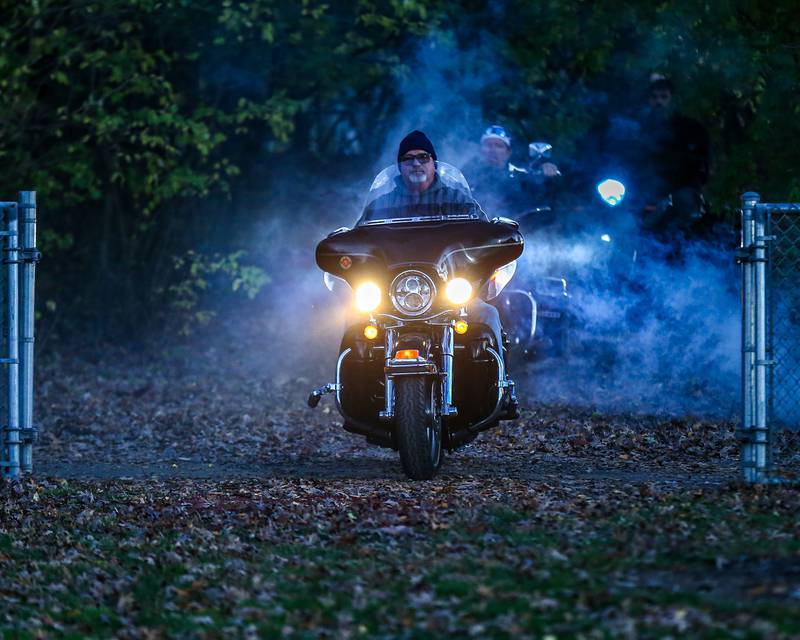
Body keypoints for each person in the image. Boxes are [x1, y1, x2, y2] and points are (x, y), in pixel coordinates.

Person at [361, 131, 517, 412]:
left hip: (449, 290)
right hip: (393, 295)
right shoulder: (380, 204)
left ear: (434, 163)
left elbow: (482, 235)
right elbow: (360, 242)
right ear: (399, 166)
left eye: (423, 157)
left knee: (488, 314)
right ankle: (356, 393)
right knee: (353, 324)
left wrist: (496, 243)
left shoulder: (459, 199)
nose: (416, 164)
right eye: (408, 159)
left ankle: (503, 390)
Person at [637, 76, 711, 235]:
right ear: (648, 100)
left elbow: (702, 160)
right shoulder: (638, 128)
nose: (659, 102)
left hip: (681, 186)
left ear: (672, 99)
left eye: (664, 97)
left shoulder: (690, 128)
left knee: (684, 213)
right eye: (654, 97)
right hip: (644, 187)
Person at [464, 124, 560, 218]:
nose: (492, 150)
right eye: (488, 145)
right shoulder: (467, 173)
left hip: (512, 228)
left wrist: (547, 171)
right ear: (481, 150)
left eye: (498, 146)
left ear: (508, 152)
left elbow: (541, 191)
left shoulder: (519, 174)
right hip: (471, 228)